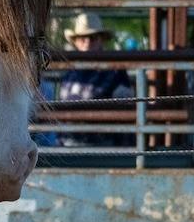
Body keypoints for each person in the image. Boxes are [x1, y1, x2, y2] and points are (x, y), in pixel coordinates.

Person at [54, 12, 134, 149]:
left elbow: (125, 113)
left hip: (102, 146)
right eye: (82, 38)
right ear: (76, 42)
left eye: (92, 37)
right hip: (67, 144)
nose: (87, 42)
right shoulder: (70, 71)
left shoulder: (115, 71)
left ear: (101, 40)